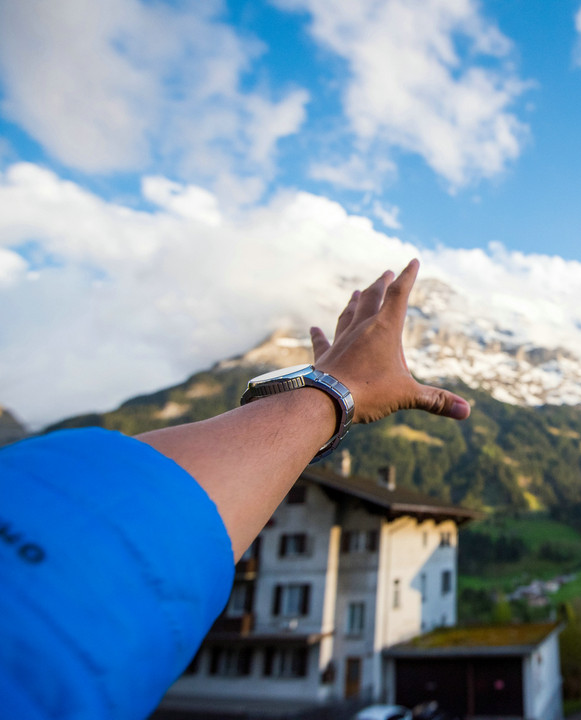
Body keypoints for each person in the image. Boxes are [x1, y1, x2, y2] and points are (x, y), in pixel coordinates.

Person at [0, 260, 470, 720]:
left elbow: (52, 520)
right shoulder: (46, 660)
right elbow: (72, 574)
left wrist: (329, 388)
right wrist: (332, 391)